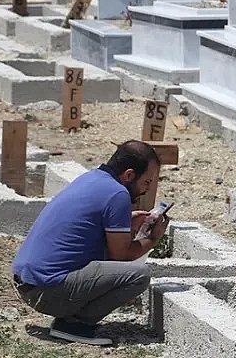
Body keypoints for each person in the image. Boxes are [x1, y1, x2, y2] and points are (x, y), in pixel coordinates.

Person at [11, 140, 170, 345]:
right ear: (129, 175)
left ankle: (69, 318)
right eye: (147, 182)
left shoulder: (91, 178)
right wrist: (152, 237)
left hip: (27, 282)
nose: (146, 190)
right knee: (139, 275)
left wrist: (125, 225)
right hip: (45, 291)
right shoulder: (118, 194)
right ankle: (74, 325)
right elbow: (120, 256)